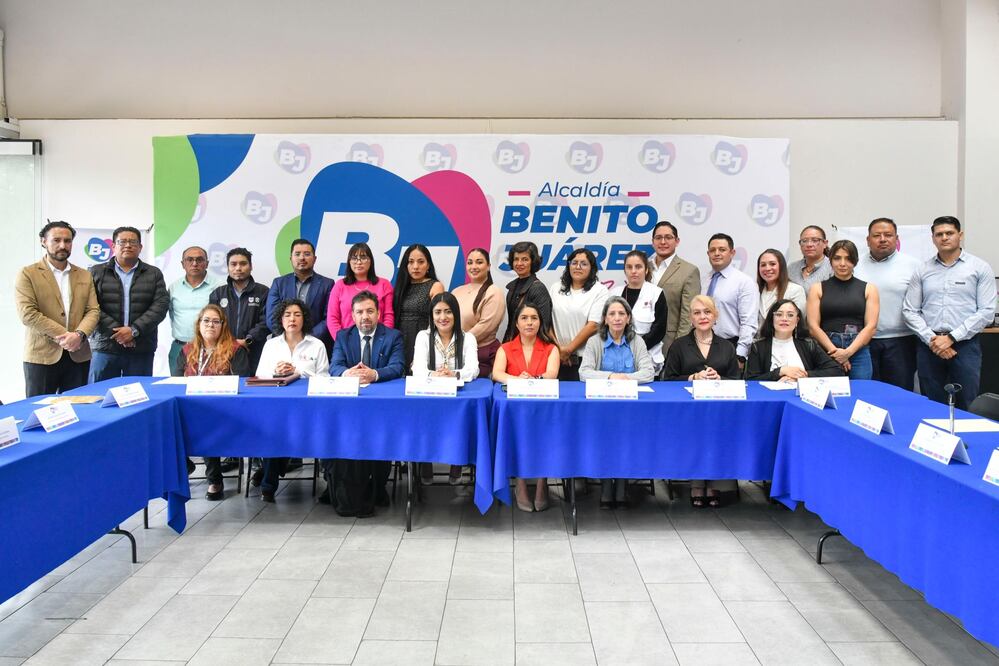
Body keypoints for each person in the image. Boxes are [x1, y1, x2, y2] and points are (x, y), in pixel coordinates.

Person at [903, 216, 997, 410]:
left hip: (965, 346)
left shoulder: (979, 268)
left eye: (949, 233)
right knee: (931, 402)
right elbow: (910, 310)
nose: (944, 237)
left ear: (960, 235)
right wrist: (933, 340)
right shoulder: (923, 270)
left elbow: (987, 311)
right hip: (929, 346)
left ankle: (966, 441)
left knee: (967, 403)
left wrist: (952, 338)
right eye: (939, 234)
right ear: (933, 238)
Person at [327, 291, 406, 513]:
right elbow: (335, 367)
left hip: (382, 408)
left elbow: (398, 366)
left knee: (381, 437)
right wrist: (347, 374)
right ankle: (344, 487)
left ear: (379, 313)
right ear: (352, 315)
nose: (365, 317)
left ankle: (377, 486)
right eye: (360, 312)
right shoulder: (344, 336)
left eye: (370, 311)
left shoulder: (393, 336)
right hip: (350, 408)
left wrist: (374, 374)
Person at [662, 294, 740, 508]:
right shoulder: (679, 346)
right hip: (688, 412)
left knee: (716, 434)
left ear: (715, 316)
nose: (702, 316)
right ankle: (696, 484)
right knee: (697, 434)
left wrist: (719, 378)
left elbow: (736, 380)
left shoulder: (726, 347)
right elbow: (666, 380)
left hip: (719, 411)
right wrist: (692, 377)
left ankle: (715, 484)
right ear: (691, 318)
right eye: (697, 313)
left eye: (707, 312)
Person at [579, 296, 656, 509]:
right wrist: (611, 376)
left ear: (629, 318)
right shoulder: (595, 341)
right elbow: (584, 373)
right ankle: (605, 488)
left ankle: (621, 488)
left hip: (630, 408)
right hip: (602, 407)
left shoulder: (636, 341)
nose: (617, 318)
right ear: (604, 319)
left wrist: (627, 379)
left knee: (624, 443)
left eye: (621, 314)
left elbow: (648, 372)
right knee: (605, 442)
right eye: (612, 314)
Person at [255, 298, 330, 502]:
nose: (292, 319)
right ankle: (268, 486)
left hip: (310, 408)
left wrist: (297, 372)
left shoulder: (317, 345)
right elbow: (259, 376)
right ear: (281, 319)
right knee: (273, 432)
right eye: (287, 314)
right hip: (278, 408)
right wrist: (275, 371)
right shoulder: (271, 345)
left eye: (297, 314)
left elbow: (324, 378)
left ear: (304, 318)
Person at [15, 220, 100, 396]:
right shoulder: (28, 273)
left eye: (67, 241)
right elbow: (28, 314)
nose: (63, 245)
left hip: (78, 355)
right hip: (41, 356)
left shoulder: (84, 274)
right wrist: (66, 337)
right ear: (43, 241)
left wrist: (79, 335)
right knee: (40, 412)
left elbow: (93, 310)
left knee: (79, 411)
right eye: (56, 240)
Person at [174, 304, 251, 501]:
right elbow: (175, 383)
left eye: (216, 321)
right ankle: (183, 464)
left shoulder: (235, 350)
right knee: (168, 423)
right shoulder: (187, 350)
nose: (210, 325)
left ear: (223, 326)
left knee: (205, 424)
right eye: (206, 321)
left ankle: (214, 480)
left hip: (224, 410)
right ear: (198, 324)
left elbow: (242, 383)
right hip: (190, 408)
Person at [492, 301, 560, 513]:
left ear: (541, 323)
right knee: (517, 434)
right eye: (524, 318)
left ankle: (542, 482)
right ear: (517, 323)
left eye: (534, 318)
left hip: (543, 409)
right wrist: (516, 379)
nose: (529, 322)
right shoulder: (505, 348)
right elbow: (497, 374)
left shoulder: (551, 349)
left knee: (546, 435)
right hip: (516, 409)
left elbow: (551, 375)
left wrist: (534, 379)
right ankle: (520, 483)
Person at [412, 292, 480, 486]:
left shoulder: (468, 338)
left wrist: (454, 374)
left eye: (448, 312)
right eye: (438, 312)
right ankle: (425, 463)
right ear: (431, 316)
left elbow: (473, 369)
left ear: (456, 314)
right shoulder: (423, 337)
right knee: (422, 419)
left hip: (456, 395)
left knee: (458, 420)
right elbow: (417, 368)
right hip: (429, 395)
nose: (443, 317)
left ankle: (456, 464)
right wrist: (434, 375)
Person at [89, 226, 169, 382]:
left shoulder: (153, 273)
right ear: (113, 246)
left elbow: (160, 305)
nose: (128, 245)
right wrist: (120, 334)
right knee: (98, 396)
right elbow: (91, 307)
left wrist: (133, 331)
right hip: (105, 347)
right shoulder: (96, 272)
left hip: (140, 346)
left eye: (133, 242)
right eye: (122, 241)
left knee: (138, 397)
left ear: (140, 247)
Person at [854, 218, 922, 391]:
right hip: (863, 342)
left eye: (888, 235)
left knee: (900, 393)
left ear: (897, 239)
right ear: (868, 240)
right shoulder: (855, 265)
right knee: (867, 393)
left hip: (901, 341)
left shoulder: (914, 265)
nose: (882, 239)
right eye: (877, 235)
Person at [807, 240, 879, 380]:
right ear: (831, 260)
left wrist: (848, 352)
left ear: (855, 261)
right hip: (826, 348)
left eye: (848, 258)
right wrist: (836, 353)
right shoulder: (817, 288)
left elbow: (871, 327)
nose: (842, 263)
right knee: (826, 395)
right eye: (837, 258)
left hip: (859, 350)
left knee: (860, 394)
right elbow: (813, 327)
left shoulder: (869, 289)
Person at [744, 300, 845, 382]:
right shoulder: (758, 347)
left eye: (790, 315)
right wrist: (780, 371)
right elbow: (751, 380)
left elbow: (836, 371)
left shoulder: (809, 345)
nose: (784, 319)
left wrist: (802, 376)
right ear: (772, 319)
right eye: (779, 315)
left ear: (797, 321)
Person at [209, 247, 271, 375]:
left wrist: (248, 340)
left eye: (243, 264)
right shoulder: (218, 294)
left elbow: (266, 321)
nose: (238, 268)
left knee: (253, 389)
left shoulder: (264, 292)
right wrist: (228, 342)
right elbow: (212, 322)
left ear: (251, 266)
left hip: (254, 350)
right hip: (224, 351)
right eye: (233, 264)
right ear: (228, 267)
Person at [549, 248, 608, 381]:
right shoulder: (556, 288)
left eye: (584, 263)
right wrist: (559, 350)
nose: (578, 267)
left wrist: (568, 350)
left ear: (592, 268)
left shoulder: (599, 290)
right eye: (574, 262)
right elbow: (547, 322)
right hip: (556, 356)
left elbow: (593, 325)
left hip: (585, 359)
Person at [265, 238, 334, 349]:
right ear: (290, 258)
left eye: (307, 254)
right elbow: (271, 317)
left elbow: (329, 317)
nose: (302, 258)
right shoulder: (279, 283)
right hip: (283, 345)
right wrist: (289, 337)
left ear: (315, 259)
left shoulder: (328, 284)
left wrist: (308, 339)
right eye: (297, 254)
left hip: (316, 345)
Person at [703, 233, 758, 364]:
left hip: (730, 347)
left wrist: (740, 355)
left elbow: (748, 322)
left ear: (732, 253)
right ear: (708, 254)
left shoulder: (744, 282)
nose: (717, 253)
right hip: (703, 345)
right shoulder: (704, 280)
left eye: (722, 250)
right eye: (712, 250)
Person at [452, 248, 506, 378]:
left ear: (488, 266)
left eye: (479, 262)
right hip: (454, 355)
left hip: (481, 356)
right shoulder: (456, 291)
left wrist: (456, 344)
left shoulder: (494, 291)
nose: (474, 266)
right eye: (470, 262)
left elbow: (485, 327)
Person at [611, 250, 667, 374]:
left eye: (638, 267)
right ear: (625, 270)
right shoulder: (614, 293)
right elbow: (606, 326)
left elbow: (659, 329)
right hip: (616, 355)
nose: (634, 271)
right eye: (629, 267)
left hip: (647, 356)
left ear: (646, 270)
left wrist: (634, 349)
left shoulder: (656, 293)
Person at [167, 246, 220, 376]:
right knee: (176, 387)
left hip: (211, 348)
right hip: (180, 346)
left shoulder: (219, 286)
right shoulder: (174, 287)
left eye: (199, 260)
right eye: (189, 259)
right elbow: (172, 314)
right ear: (182, 264)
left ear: (207, 263)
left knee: (211, 390)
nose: (194, 263)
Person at [649, 221, 700, 354]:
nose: (663, 241)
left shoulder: (689, 271)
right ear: (653, 241)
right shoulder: (643, 268)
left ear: (677, 241)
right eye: (658, 238)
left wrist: (679, 346)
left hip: (670, 343)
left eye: (668, 237)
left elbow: (688, 315)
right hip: (641, 342)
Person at [393, 244, 445, 373]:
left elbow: (438, 320)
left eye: (421, 262)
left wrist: (422, 351)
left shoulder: (435, 286)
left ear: (428, 265)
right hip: (399, 341)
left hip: (423, 341)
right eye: (411, 262)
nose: (415, 266)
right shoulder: (400, 287)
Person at [327, 241, 394, 340]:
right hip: (347, 343)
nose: (358, 262)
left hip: (378, 342)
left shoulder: (384, 284)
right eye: (354, 258)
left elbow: (388, 316)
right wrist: (342, 341)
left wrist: (382, 340)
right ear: (349, 261)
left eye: (363, 257)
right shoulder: (340, 286)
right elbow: (332, 319)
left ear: (370, 261)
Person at [502, 241, 553, 342]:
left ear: (533, 262)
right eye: (516, 259)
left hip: (531, 347)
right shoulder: (512, 287)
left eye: (525, 259)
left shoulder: (538, 288)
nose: (519, 263)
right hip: (513, 345)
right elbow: (511, 324)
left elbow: (543, 326)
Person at [757, 249, 806, 325]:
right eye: (763, 265)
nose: (767, 268)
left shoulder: (795, 290)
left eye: (772, 264)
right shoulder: (754, 291)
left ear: (781, 266)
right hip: (757, 337)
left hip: (785, 336)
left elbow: (798, 321)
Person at [788, 225, 833, 293]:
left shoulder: (833, 267)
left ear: (825, 243)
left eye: (815, 240)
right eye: (804, 241)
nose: (809, 244)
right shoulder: (791, 268)